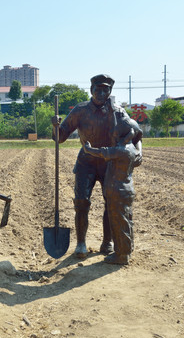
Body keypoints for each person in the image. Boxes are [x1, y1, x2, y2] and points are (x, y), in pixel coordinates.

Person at [51, 74, 142, 258]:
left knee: (111, 203)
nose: (101, 93)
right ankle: (81, 243)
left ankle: (107, 242)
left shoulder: (118, 111)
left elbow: (136, 133)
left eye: (105, 89)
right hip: (86, 162)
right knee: (81, 202)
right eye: (98, 89)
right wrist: (55, 126)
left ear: (110, 91)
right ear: (91, 90)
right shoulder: (80, 110)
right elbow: (60, 137)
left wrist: (139, 151)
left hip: (109, 163)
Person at [83, 118, 142, 265]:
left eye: (116, 134)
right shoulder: (132, 149)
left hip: (117, 192)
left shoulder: (122, 150)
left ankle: (121, 255)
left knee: (118, 222)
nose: (113, 136)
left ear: (124, 136)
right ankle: (128, 248)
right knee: (126, 221)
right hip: (125, 190)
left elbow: (102, 152)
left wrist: (88, 149)